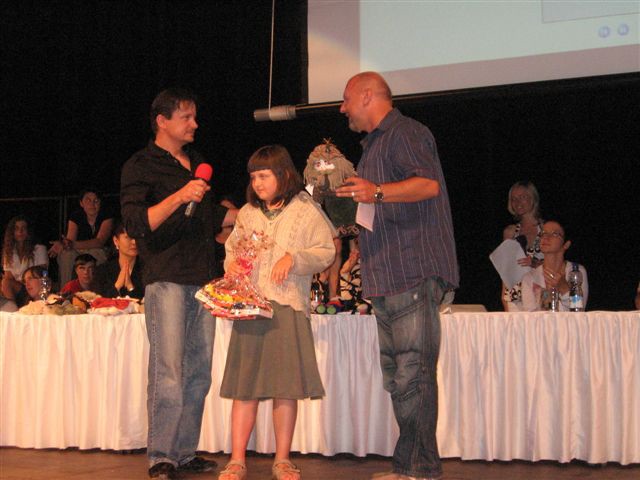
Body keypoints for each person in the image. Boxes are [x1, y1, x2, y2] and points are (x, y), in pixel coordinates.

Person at [335, 72, 459, 480]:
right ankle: (409, 467)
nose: (342, 108)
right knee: (400, 378)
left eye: (346, 99)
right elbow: (377, 205)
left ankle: (420, 470)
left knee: (413, 375)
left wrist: (376, 192)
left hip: (412, 269)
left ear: (367, 95)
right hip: (387, 274)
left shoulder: (405, 132)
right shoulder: (373, 145)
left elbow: (427, 185)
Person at [120, 88, 237, 480]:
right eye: (186, 117)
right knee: (168, 371)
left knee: (198, 373)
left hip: (204, 278)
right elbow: (137, 224)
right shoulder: (140, 165)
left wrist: (246, 216)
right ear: (162, 121)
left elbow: (206, 217)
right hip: (166, 278)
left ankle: (185, 452)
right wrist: (179, 195)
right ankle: (161, 456)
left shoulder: (198, 162)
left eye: (195, 116)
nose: (195, 124)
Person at [217, 145, 335, 480]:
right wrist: (233, 265)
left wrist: (294, 259)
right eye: (253, 177)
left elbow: (326, 251)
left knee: (285, 387)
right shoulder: (247, 213)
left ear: (283, 175)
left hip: (286, 307)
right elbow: (232, 250)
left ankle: (282, 459)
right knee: (245, 387)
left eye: (264, 176)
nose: (257, 183)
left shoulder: (304, 210)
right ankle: (237, 459)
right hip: (251, 307)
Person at [48, 188, 114, 286]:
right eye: (88, 200)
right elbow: (70, 241)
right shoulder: (76, 216)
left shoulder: (107, 216)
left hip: (100, 250)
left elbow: (100, 242)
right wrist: (64, 244)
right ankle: (66, 289)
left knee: (97, 253)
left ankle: (97, 289)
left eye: (96, 201)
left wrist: (72, 244)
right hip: (79, 250)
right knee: (67, 254)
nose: (92, 204)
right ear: (81, 203)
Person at [520, 220, 588, 311]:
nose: (546, 237)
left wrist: (564, 289)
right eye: (543, 233)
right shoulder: (530, 278)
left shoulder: (576, 271)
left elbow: (579, 310)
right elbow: (530, 316)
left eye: (555, 234)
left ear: (566, 244)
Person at [501, 181, 544, 311]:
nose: (517, 202)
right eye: (513, 199)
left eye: (522, 197)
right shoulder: (510, 232)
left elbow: (555, 263)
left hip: (540, 293)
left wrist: (534, 263)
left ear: (533, 198)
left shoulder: (546, 229)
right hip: (515, 297)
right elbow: (506, 269)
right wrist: (504, 297)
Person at [1, 215, 49, 306]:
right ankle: (12, 309)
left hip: (35, 288)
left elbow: (41, 274)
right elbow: (8, 277)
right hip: (18, 289)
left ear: (28, 231)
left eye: (23, 228)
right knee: (5, 282)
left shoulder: (39, 249)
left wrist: (26, 280)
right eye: (16, 229)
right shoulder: (9, 252)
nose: (20, 232)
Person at [92, 221, 145, 299]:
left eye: (137, 237)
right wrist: (117, 286)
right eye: (128, 237)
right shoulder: (102, 270)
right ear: (116, 241)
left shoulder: (148, 269)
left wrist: (130, 287)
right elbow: (98, 299)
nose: (134, 242)